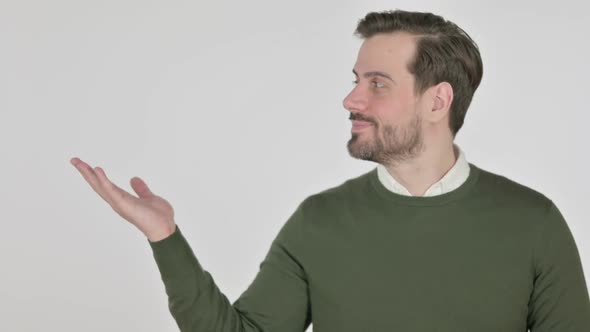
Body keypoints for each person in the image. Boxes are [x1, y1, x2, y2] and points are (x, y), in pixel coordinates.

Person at [70, 9, 590, 332]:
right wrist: (164, 235)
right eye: (355, 79)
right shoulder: (319, 221)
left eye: (377, 83)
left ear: (438, 101)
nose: (351, 98)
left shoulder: (532, 222)